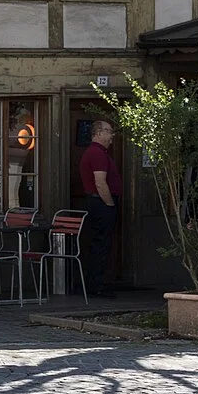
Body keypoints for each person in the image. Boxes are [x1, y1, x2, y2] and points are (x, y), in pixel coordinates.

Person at [77, 118, 121, 296]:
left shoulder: (98, 153)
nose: (112, 136)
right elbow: (100, 182)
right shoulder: (96, 154)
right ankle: (96, 285)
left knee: (100, 242)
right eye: (109, 131)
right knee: (100, 243)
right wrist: (110, 204)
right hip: (100, 203)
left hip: (97, 202)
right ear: (98, 133)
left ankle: (97, 282)